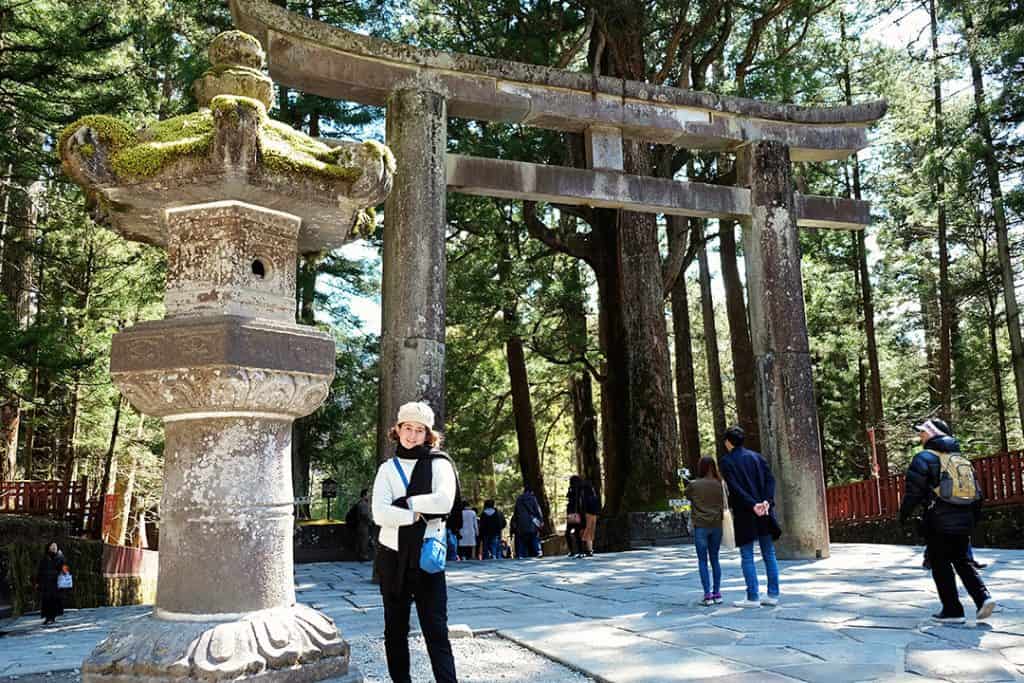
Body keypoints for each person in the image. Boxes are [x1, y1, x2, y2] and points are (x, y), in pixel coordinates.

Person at [371, 401, 459, 683]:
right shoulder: (387, 469)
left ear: (428, 435)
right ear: (397, 430)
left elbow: (444, 501)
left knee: (436, 630)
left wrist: (406, 503)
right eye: (407, 428)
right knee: (394, 631)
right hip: (392, 557)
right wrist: (417, 514)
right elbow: (379, 512)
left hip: (426, 557)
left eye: (419, 430)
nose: (412, 435)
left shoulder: (439, 464)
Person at [899, 418, 995, 624]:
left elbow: (913, 492)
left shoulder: (924, 458)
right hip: (964, 520)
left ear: (933, 434)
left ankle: (952, 610)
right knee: (962, 560)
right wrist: (972, 520)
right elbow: (977, 495)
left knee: (940, 563)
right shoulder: (960, 460)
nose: (920, 436)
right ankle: (983, 597)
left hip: (937, 520)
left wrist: (904, 515)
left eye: (923, 432)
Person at [719, 426, 781, 608]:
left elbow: (735, 487)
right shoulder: (757, 457)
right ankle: (773, 595)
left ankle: (753, 596)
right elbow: (770, 480)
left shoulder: (726, 461)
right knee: (769, 554)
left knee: (747, 556)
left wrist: (752, 504)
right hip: (764, 511)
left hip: (746, 512)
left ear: (729, 442)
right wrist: (767, 501)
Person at [685, 456, 725, 606]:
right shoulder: (720, 484)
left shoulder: (694, 485)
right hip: (716, 525)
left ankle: (707, 595)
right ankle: (717, 593)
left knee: (702, 560)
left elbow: (687, 495)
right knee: (715, 559)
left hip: (701, 525)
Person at [36, 541, 67, 625]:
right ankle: (47, 617)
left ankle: (52, 617)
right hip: (46, 583)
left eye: (55, 546)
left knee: (54, 600)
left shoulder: (60, 557)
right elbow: (40, 570)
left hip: (55, 583)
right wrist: (38, 581)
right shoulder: (45, 558)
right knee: (46, 601)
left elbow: (65, 569)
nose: (54, 547)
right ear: (48, 547)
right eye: (52, 546)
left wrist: (64, 576)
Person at [513, 485, 544, 558]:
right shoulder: (533, 498)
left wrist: (516, 521)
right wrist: (541, 520)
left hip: (521, 521)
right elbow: (537, 510)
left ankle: (521, 554)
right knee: (534, 536)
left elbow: (516, 512)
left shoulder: (519, 499)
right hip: (531, 520)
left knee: (522, 538)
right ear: (531, 492)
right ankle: (538, 551)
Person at [565, 475, 586, 558]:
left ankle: (574, 551)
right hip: (577, 514)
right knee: (576, 533)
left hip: (574, 514)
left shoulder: (577, 489)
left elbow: (573, 500)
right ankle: (578, 551)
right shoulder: (575, 489)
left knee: (571, 533)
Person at [580, 480, 600, 558]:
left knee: (586, 532)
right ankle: (590, 550)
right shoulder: (595, 496)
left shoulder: (585, 497)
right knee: (590, 532)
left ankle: (583, 550)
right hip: (594, 516)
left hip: (587, 515)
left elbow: (583, 508)